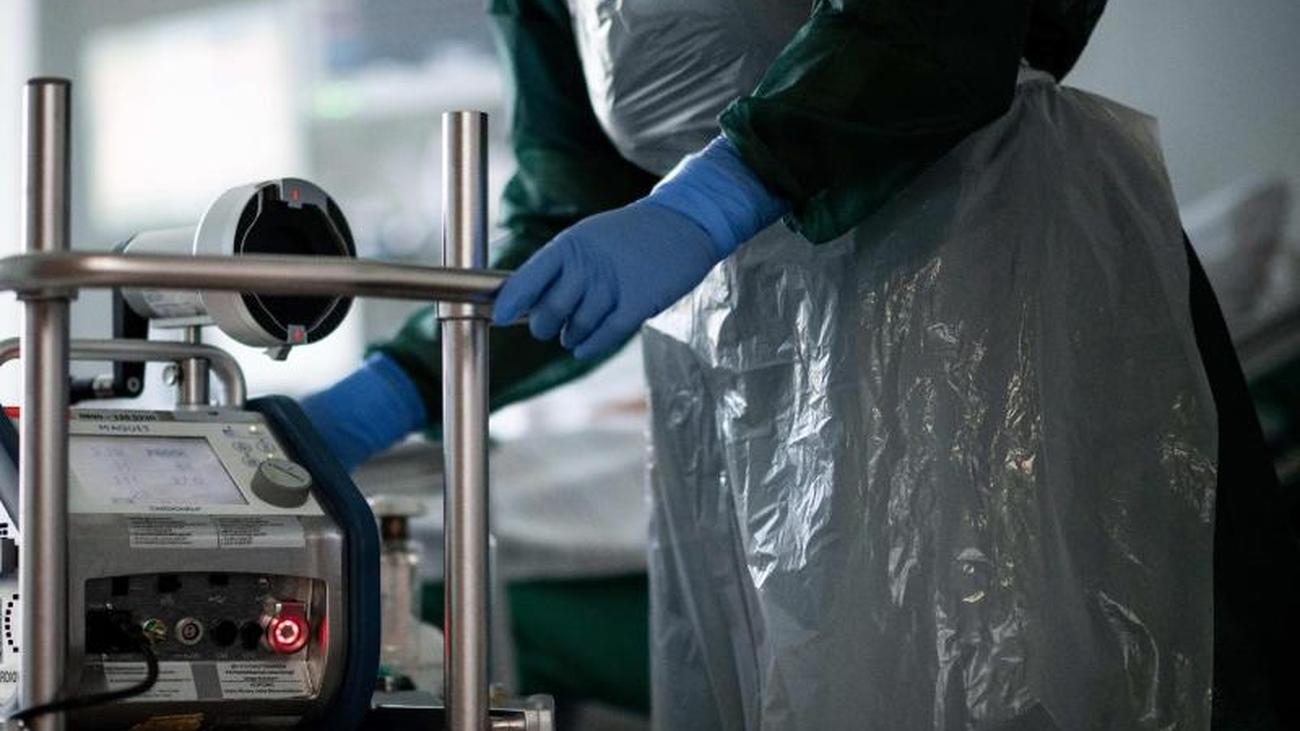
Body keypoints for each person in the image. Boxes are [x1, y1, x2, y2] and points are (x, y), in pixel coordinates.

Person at [304, 1, 1300, 728]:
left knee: (1031, 677)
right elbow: (573, 212)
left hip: (983, 281)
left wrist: (715, 196)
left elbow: (942, 24)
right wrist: (382, 395)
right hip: (750, 361)